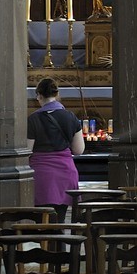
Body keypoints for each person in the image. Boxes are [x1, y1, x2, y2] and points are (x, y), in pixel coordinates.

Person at [26, 77, 84, 216]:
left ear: (39, 95)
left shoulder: (33, 119)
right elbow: (78, 150)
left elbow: (27, 150)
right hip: (65, 173)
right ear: (56, 95)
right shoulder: (71, 117)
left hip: (41, 174)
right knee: (60, 218)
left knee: (42, 220)